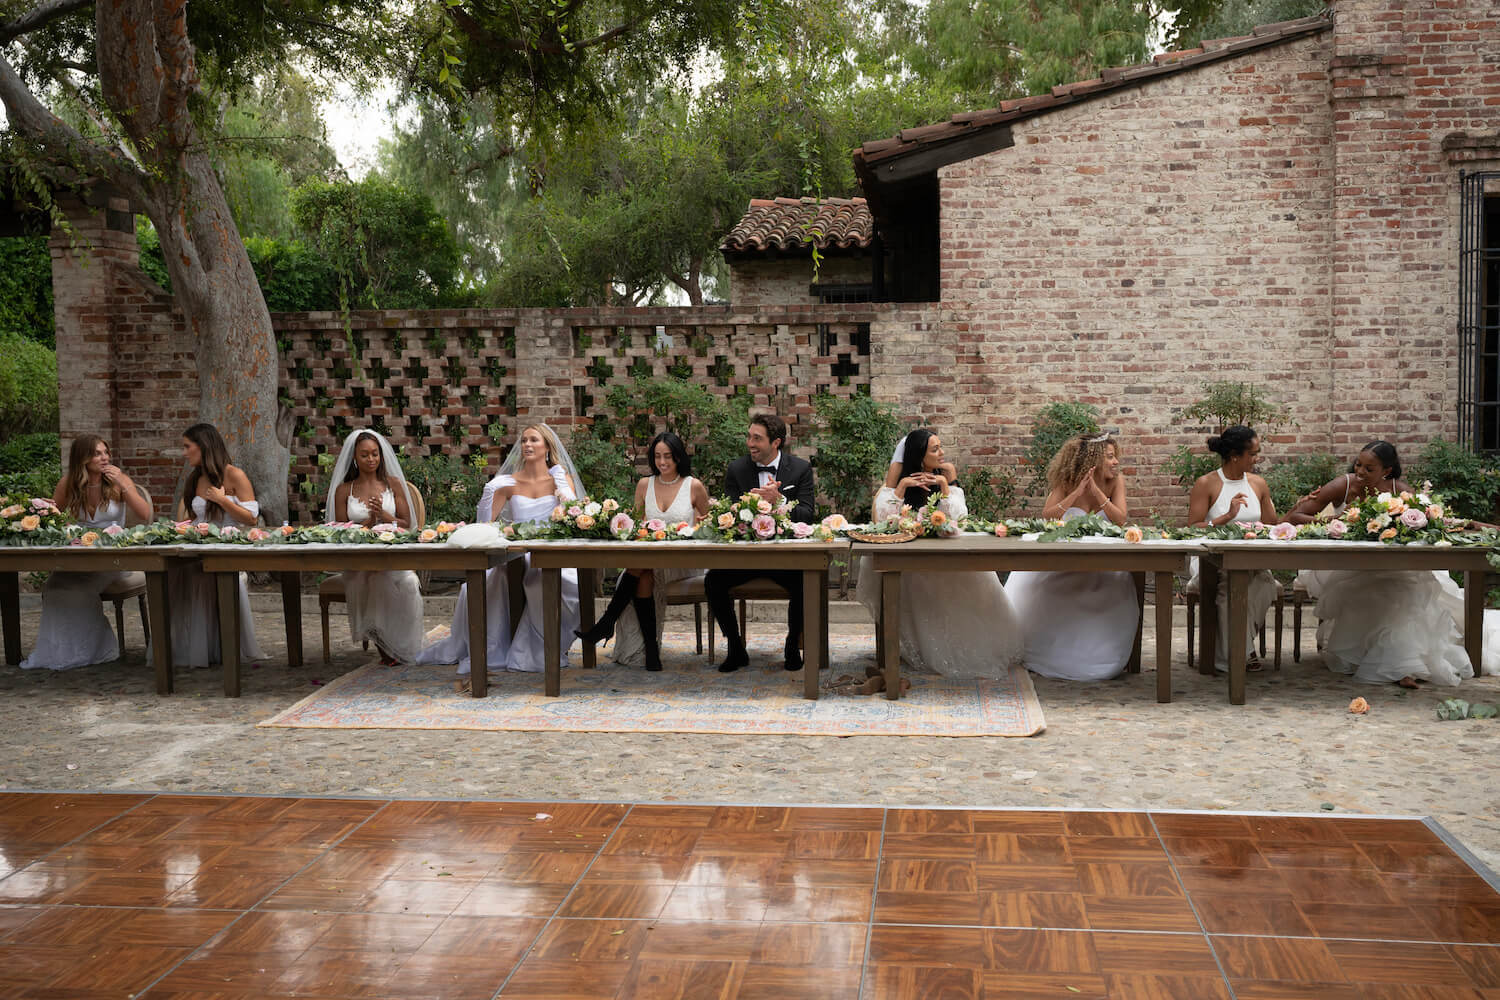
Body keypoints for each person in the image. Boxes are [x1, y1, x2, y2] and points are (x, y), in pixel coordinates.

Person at [1284, 441, 1491, 686]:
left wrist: (1479, 525)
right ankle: (1397, 666)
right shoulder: (1344, 484)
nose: (1360, 472)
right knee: (1379, 591)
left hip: (1393, 565)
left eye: (1369, 469)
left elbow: (1436, 520)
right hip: (1346, 566)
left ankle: (1403, 666)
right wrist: (1335, 520)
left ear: (1387, 471)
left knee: (1406, 591)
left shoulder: (1400, 491)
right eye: (1358, 464)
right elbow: (1293, 517)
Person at [417, 424, 584, 684]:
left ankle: (544, 649)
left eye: (534, 440)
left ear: (547, 447)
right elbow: (485, 524)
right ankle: (498, 648)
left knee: (558, 582)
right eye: (524, 440)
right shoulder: (510, 482)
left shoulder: (560, 479)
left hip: (552, 550)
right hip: (516, 551)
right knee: (489, 582)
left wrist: (563, 488)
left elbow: (575, 517)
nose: (527, 445)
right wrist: (490, 492)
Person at [856, 428, 1023, 678]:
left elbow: (960, 519)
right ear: (919, 456)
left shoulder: (945, 473)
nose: (941, 453)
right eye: (934, 449)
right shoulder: (901, 478)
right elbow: (883, 521)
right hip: (911, 559)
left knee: (974, 576)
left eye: (940, 447)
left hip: (947, 550)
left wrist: (945, 485)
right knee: (918, 579)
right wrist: (901, 487)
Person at [1004, 433, 1140, 681]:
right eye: (1110, 457)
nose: (1115, 462)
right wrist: (1077, 492)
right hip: (1062, 562)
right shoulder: (1067, 480)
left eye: (1115, 457)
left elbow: (1121, 519)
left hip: (1102, 566)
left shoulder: (1116, 481)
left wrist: (1098, 494)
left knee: (1115, 585)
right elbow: (1048, 516)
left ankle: (1101, 653)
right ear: (1095, 460)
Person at [575, 431, 710, 671]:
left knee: (641, 570)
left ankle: (606, 622)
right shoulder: (644, 485)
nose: (662, 462)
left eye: (668, 456)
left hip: (684, 562)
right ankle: (651, 652)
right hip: (649, 558)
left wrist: (695, 529)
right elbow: (636, 527)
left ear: (678, 456)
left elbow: (709, 526)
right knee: (645, 572)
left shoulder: (694, 486)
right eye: (657, 456)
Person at [20, 435, 153, 670]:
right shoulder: (68, 483)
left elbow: (144, 514)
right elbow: (54, 518)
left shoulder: (117, 481)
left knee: (78, 589)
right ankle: (59, 652)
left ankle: (94, 648)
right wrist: (43, 509)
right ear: (83, 458)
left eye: (106, 452)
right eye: (98, 453)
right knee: (54, 586)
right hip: (78, 556)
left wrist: (125, 485)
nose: (105, 458)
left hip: (113, 557)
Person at [706, 413, 816, 673]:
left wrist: (779, 501)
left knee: (805, 581)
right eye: (749, 437)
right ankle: (735, 647)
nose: (750, 443)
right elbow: (728, 515)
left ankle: (792, 646)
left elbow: (808, 515)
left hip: (785, 558)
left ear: (775, 443)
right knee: (713, 581)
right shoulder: (737, 469)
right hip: (746, 558)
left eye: (757, 438)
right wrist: (745, 506)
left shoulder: (800, 469)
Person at [167, 423, 264, 667]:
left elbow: (251, 518)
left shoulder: (235, 475)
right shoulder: (195, 479)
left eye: (188, 447)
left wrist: (223, 501)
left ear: (204, 446)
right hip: (197, 545)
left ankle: (220, 647)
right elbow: (187, 517)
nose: (184, 452)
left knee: (203, 576)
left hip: (225, 546)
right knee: (176, 572)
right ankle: (187, 646)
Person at [1184, 425, 1281, 670]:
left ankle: (1239, 647)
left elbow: (1273, 525)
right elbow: (1193, 528)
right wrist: (1226, 517)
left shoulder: (1258, 483)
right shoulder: (1207, 483)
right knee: (1230, 587)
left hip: (1252, 557)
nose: (1257, 458)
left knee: (1264, 585)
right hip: (1211, 558)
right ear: (1235, 455)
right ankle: (1240, 654)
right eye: (1253, 454)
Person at [325, 429, 424, 664]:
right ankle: (383, 642)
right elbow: (339, 529)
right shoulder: (344, 490)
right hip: (358, 560)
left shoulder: (394, 484)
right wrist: (369, 522)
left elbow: (406, 523)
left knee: (408, 581)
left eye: (375, 454)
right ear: (354, 458)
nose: (371, 460)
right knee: (371, 578)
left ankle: (399, 642)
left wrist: (384, 514)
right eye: (364, 455)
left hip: (391, 556)